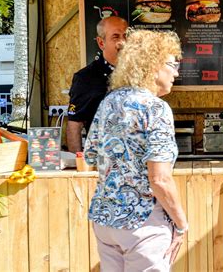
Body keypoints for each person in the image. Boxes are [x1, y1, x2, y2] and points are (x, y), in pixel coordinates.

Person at [84, 29, 188, 271]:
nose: (176, 72)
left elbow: (90, 155)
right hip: (142, 223)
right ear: (153, 65)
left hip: (106, 220)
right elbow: (159, 179)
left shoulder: (108, 101)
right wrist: (181, 224)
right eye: (172, 64)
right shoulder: (155, 108)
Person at [67, 16, 128, 153]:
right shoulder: (85, 78)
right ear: (101, 43)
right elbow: (74, 125)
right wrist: (79, 168)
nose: (123, 42)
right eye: (116, 37)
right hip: (102, 161)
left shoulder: (141, 74)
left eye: (126, 36)